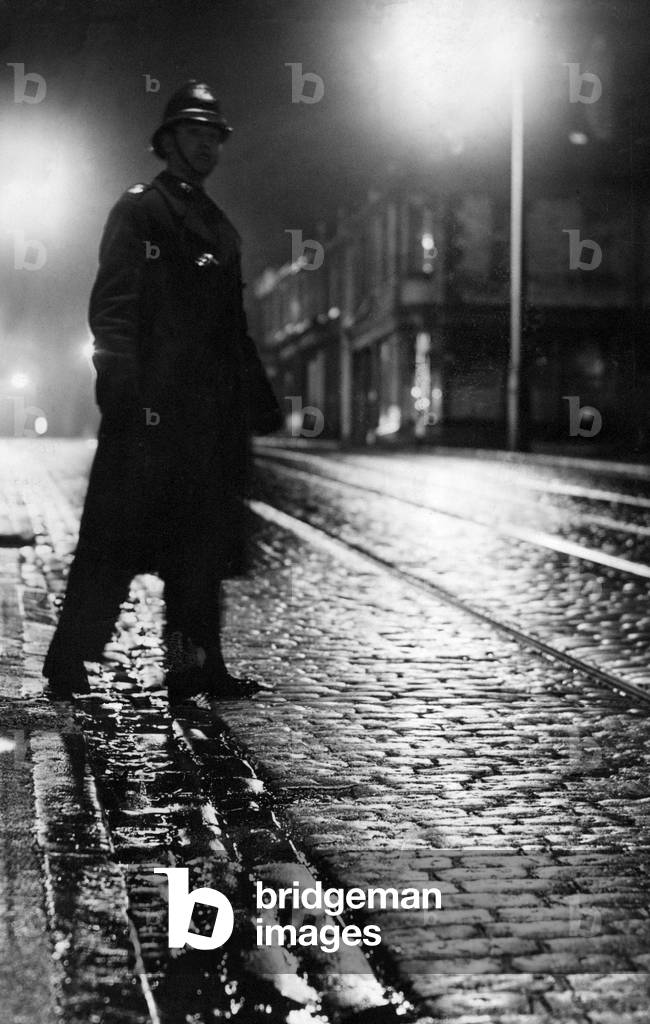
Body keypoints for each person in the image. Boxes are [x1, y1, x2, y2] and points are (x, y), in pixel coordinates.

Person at [43, 81, 282, 703]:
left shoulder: (220, 227)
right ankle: (68, 663)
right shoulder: (140, 210)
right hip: (149, 410)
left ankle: (197, 665)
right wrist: (121, 391)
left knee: (198, 551)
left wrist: (257, 397)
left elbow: (233, 327)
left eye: (214, 136)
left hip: (207, 416)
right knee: (114, 543)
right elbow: (114, 307)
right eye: (194, 133)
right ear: (169, 141)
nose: (206, 146)